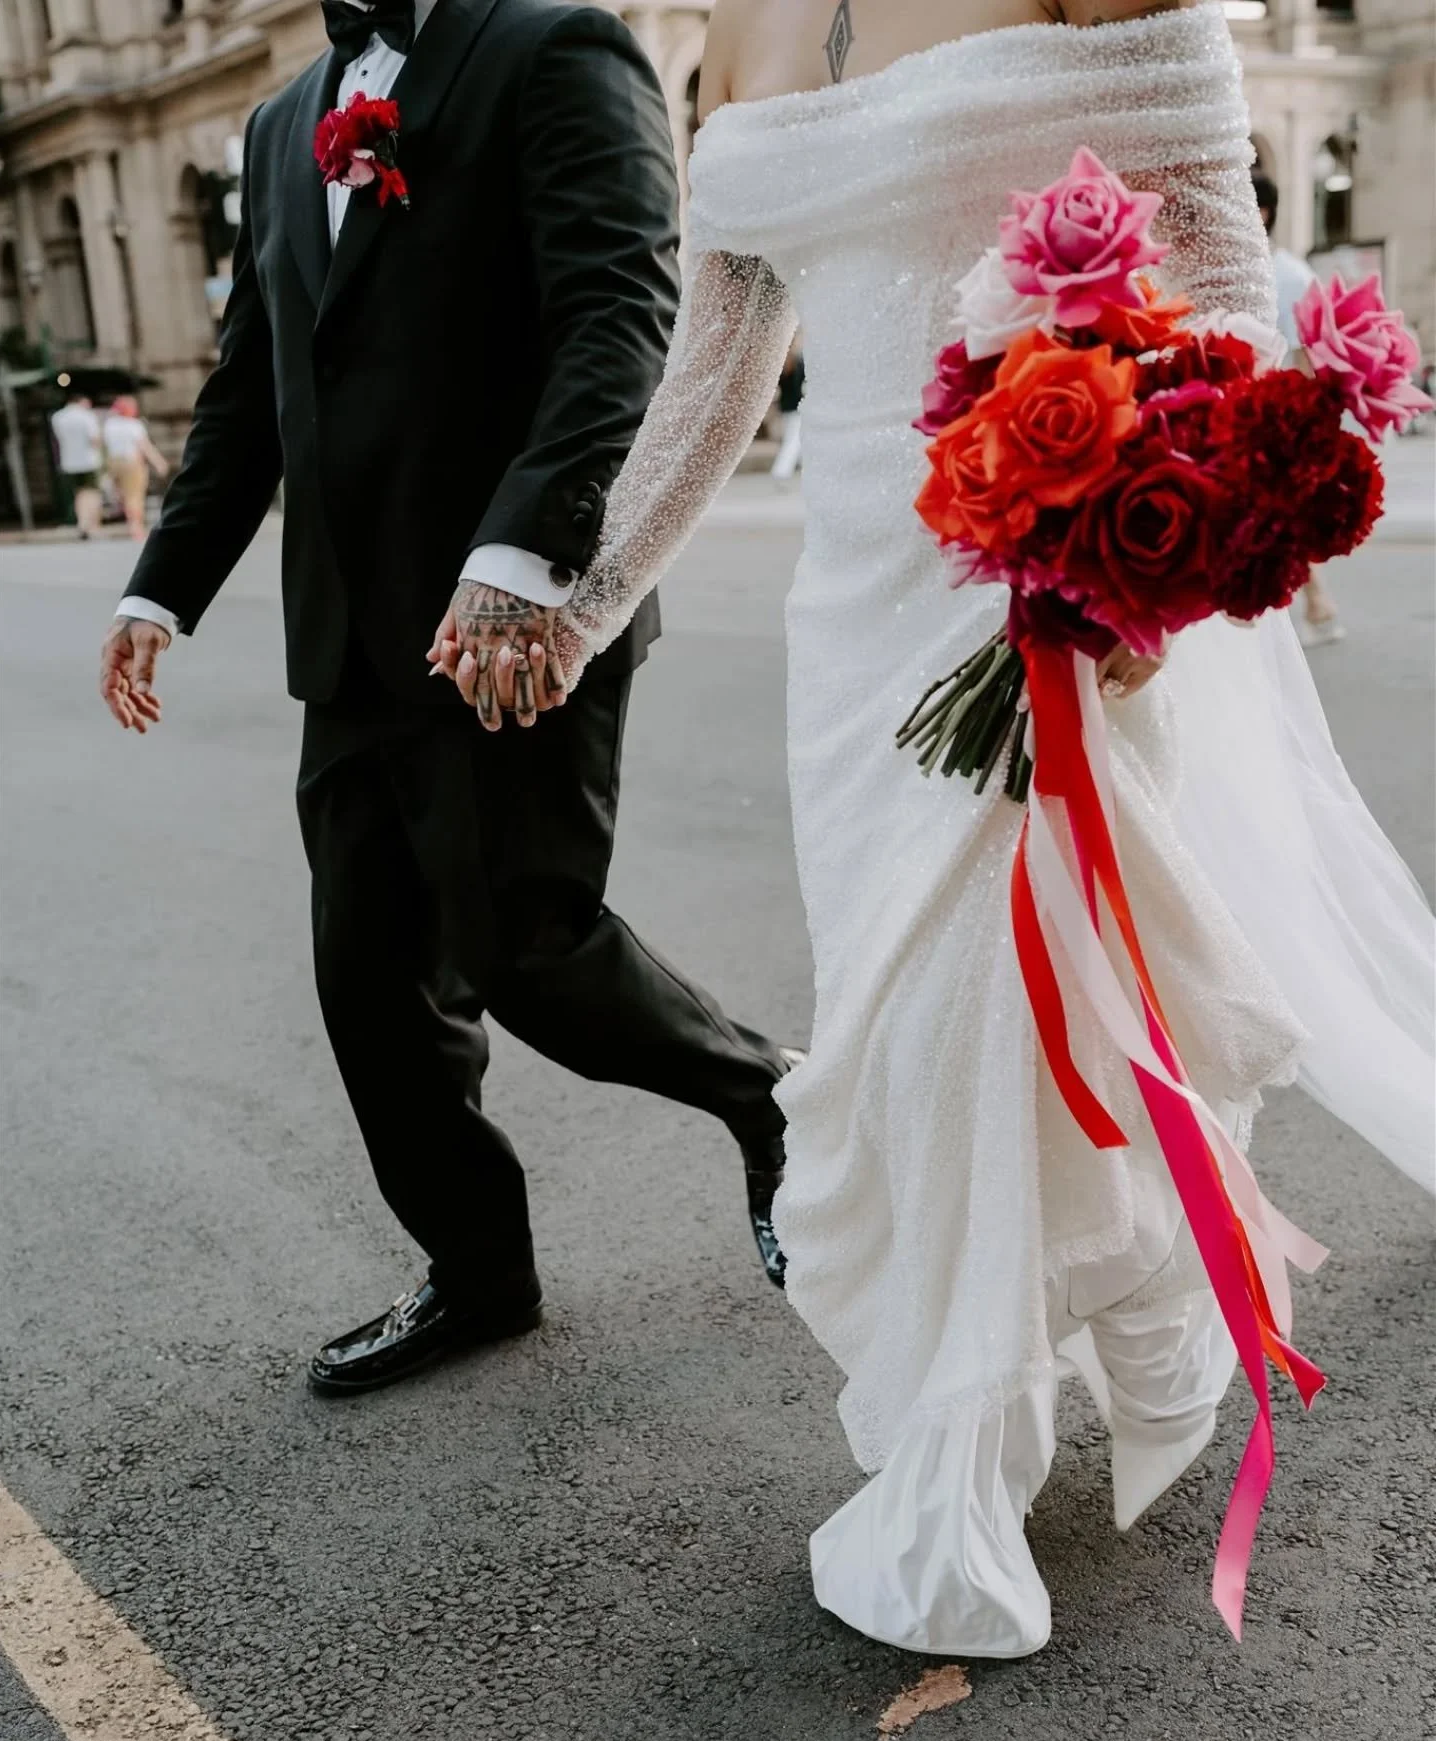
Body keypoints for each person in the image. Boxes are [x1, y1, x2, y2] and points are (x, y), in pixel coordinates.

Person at [436, 0, 1435, 1656]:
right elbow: (724, 351)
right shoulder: (735, 22)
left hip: (1049, 593)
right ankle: (1151, 1301)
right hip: (856, 624)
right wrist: (581, 590)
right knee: (912, 1029)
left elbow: (1228, 266)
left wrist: (1154, 546)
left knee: (969, 999)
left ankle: (958, 1471)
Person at [96, 0, 794, 1396]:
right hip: (349, 637)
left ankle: (773, 1096)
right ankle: (479, 1274)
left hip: (514, 613)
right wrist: (158, 590)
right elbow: (256, 379)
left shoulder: (556, 48)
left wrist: (522, 557)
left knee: (529, 944)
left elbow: (620, 316)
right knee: (368, 981)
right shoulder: (280, 119)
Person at [1252, 170, 1346, 646]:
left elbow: (1309, 355)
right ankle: (1313, 605)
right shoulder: (1262, 268)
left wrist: (1303, 422)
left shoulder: (1288, 276)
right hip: (1254, 413)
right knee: (1275, 516)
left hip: (1277, 416)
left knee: (1278, 515)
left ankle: (1314, 606)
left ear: (1263, 212)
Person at [101, 395, 170, 541]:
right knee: (135, 496)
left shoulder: (109, 425)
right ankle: (136, 527)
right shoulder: (133, 425)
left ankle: (131, 524)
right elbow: (144, 446)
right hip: (131, 463)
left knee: (125, 496)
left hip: (114, 463)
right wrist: (159, 462)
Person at [49, 392, 104, 538]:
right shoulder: (87, 416)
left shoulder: (57, 417)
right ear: (82, 402)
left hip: (69, 461)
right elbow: (95, 440)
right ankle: (89, 524)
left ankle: (82, 522)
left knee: (78, 493)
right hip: (89, 461)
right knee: (92, 493)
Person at [772, 344, 805, 484]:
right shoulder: (796, 363)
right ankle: (781, 470)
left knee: (797, 439)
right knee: (793, 440)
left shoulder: (781, 366)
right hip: (796, 408)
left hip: (787, 408)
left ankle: (802, 466)